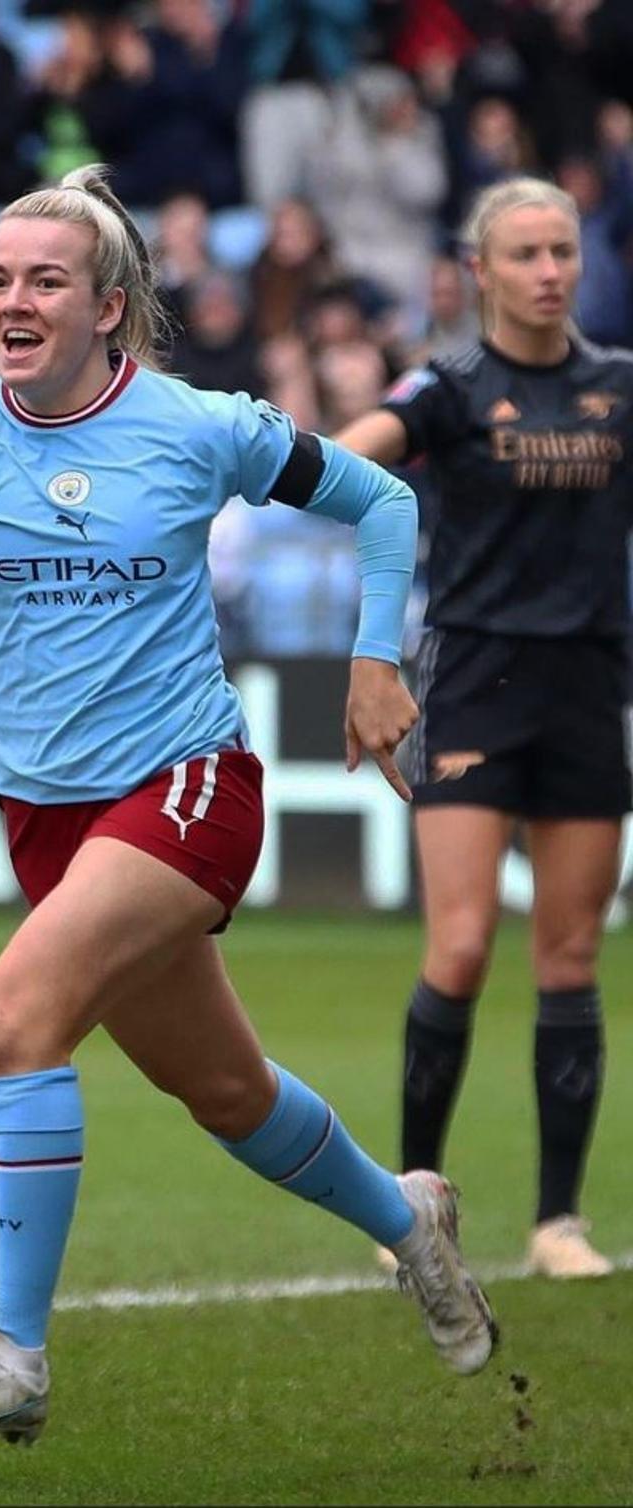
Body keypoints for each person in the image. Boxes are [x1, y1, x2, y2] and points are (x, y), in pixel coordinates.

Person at [0, 164, 497, 1446]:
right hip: (51, 823)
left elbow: (385, 499)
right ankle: (411, 1221)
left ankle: (13, 1354)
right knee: (229, 1091)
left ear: (110, 307)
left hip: (187, 784)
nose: (11, 300)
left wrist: (371, 662)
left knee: (18, 1014)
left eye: (44, 281)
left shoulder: (200, 427)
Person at [335, 177, 629, 1280]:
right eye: (527, 254)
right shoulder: (452, 387)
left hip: (588, 688)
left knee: (568, 954)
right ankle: (411, 1205)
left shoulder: (619, 387)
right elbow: (354, 452)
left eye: (562, 250)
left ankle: (560, 1220)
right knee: (458, 947)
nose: (551, 270)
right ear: (480, 271)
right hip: (474, 682)